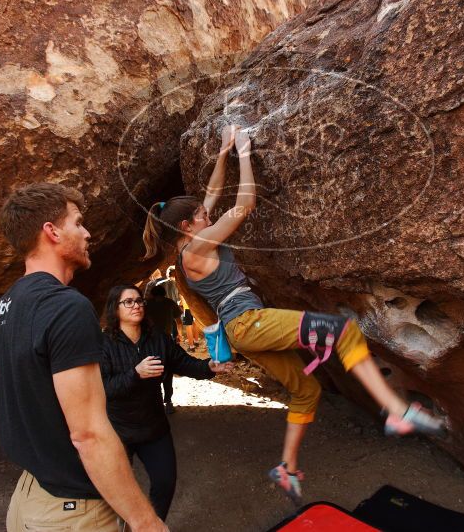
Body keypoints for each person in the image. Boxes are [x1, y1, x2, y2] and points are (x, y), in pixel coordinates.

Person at [141, 125, 446, 503]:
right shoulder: (198, 246)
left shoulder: (191, 244)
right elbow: (243, 205)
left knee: (305, 390)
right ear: (188, 226)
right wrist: (245, 153)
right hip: (248, 323)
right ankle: (395, 409)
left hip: (242, 333)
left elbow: (214, 194)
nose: (209, 212)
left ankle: (286, 467)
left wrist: (223, 152)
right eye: (203, 214)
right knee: (344, 332)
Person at [0, 182, 166, 531]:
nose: (88, 234)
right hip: (71, 512)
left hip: (28, 498)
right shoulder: (66, 306)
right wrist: (146, 522)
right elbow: (88, 434)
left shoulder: (6, 304)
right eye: (78, 223)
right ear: (51, 232)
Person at [100, 284, 232, 520]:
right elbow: (104, 389)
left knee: (165, 482)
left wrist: (210, 367)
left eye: (139, 301)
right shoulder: (104, 344)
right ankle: (117, 524)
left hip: (153, 427)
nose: (136, 305)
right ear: (114, 308)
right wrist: (135, 373)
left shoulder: (157, 338)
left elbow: (184, 363)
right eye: (128, 302)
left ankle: (153, 525)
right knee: (113, 489)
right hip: (118, 430)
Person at [145, 285, 183, 414]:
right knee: (168, 370)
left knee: (151, 370)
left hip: (149, 342)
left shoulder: (147, 304)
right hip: (167, 341)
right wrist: (179, 334)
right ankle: (168, 402)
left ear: (152, 294)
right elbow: (178, 320)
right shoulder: (169, 303)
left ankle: (155, 402)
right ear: (164, 293)